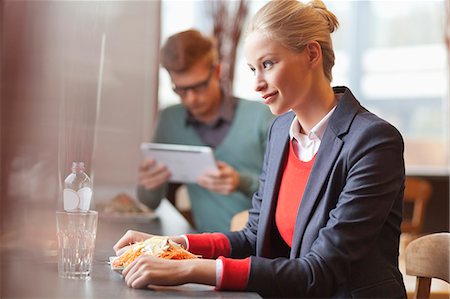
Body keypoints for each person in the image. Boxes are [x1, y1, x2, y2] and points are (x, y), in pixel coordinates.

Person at [115, 1, 407, 297]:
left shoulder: (374, 142)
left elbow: (319, 271)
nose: (257, 83)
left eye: (268, 64)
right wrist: (173, 245)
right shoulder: (280, 132)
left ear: (311, 54)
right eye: (253, 69)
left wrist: (189, 269)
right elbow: (253, 237)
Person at [137, 29, 274, 233]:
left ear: (217, 72)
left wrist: (240, 182)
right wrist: (149, 183)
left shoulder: (261, 117)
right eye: (181, 90)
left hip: (260, 248)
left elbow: (286, 194)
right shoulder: (170, 120)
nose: (191, 99)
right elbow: (150, 202)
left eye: (199, 86)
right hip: (207, 251)